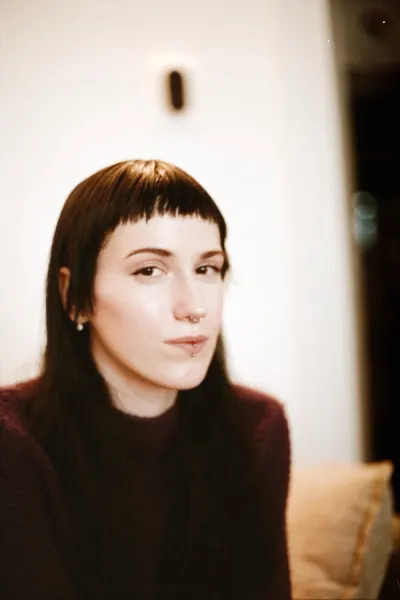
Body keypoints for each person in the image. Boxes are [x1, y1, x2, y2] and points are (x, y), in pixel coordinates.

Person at [0, 159, 292, 600]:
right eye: (149, 271)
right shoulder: (14, 443)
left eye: (207, 269)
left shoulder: (258, 427)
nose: (194, 307)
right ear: (74, 296)